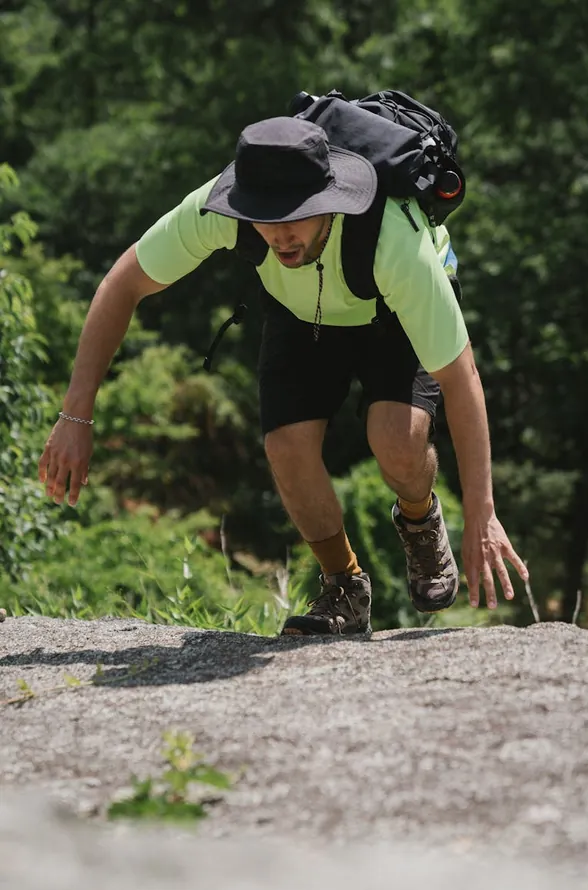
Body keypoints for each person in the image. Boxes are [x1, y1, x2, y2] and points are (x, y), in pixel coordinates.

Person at [38, 116, 528, 636]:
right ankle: (344, 586)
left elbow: (461, 377)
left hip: (390, 313)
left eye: (295, 217)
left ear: (330, 199)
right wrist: (76, 415)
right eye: (263, 218)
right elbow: (122, 283)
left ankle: (419, 518)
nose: (278, 234)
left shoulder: (393, 241)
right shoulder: (222, 209)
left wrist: (482, 513)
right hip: (302, 314)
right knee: (286, 447)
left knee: (398, 441)